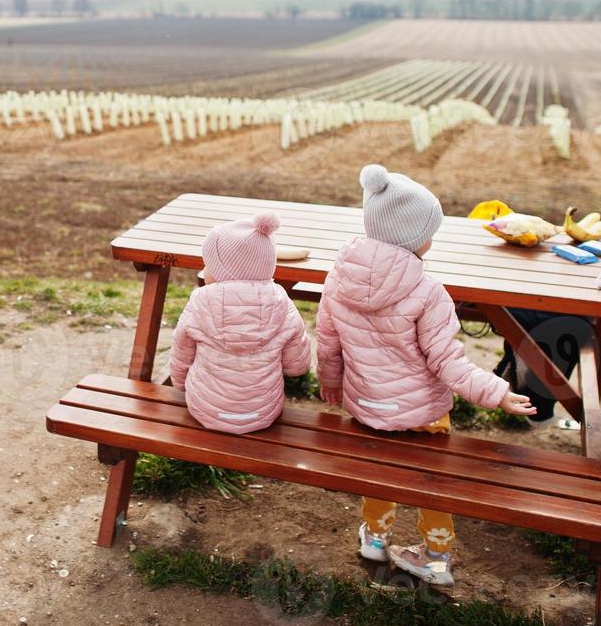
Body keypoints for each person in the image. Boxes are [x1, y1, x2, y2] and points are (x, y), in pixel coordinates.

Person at [317, 165, 536, 586]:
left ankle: (376, 540)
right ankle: (435, 558)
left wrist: (330, 381)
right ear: (418, 239)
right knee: (431, 482)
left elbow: (327, 341)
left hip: (367, 407)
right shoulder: (428, 291)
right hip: (423, 415)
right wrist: (497, 392)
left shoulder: (338, 278)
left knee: (378, 473)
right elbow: (448, 361)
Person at [169, 212, 313, 435]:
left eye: (209, 265)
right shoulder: (281, 301)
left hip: (206, 409)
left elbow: (181, 350)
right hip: (263, 412)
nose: (205, 270)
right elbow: (298, 365)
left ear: (223, 272)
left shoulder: (201, 302)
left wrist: (179, 383)